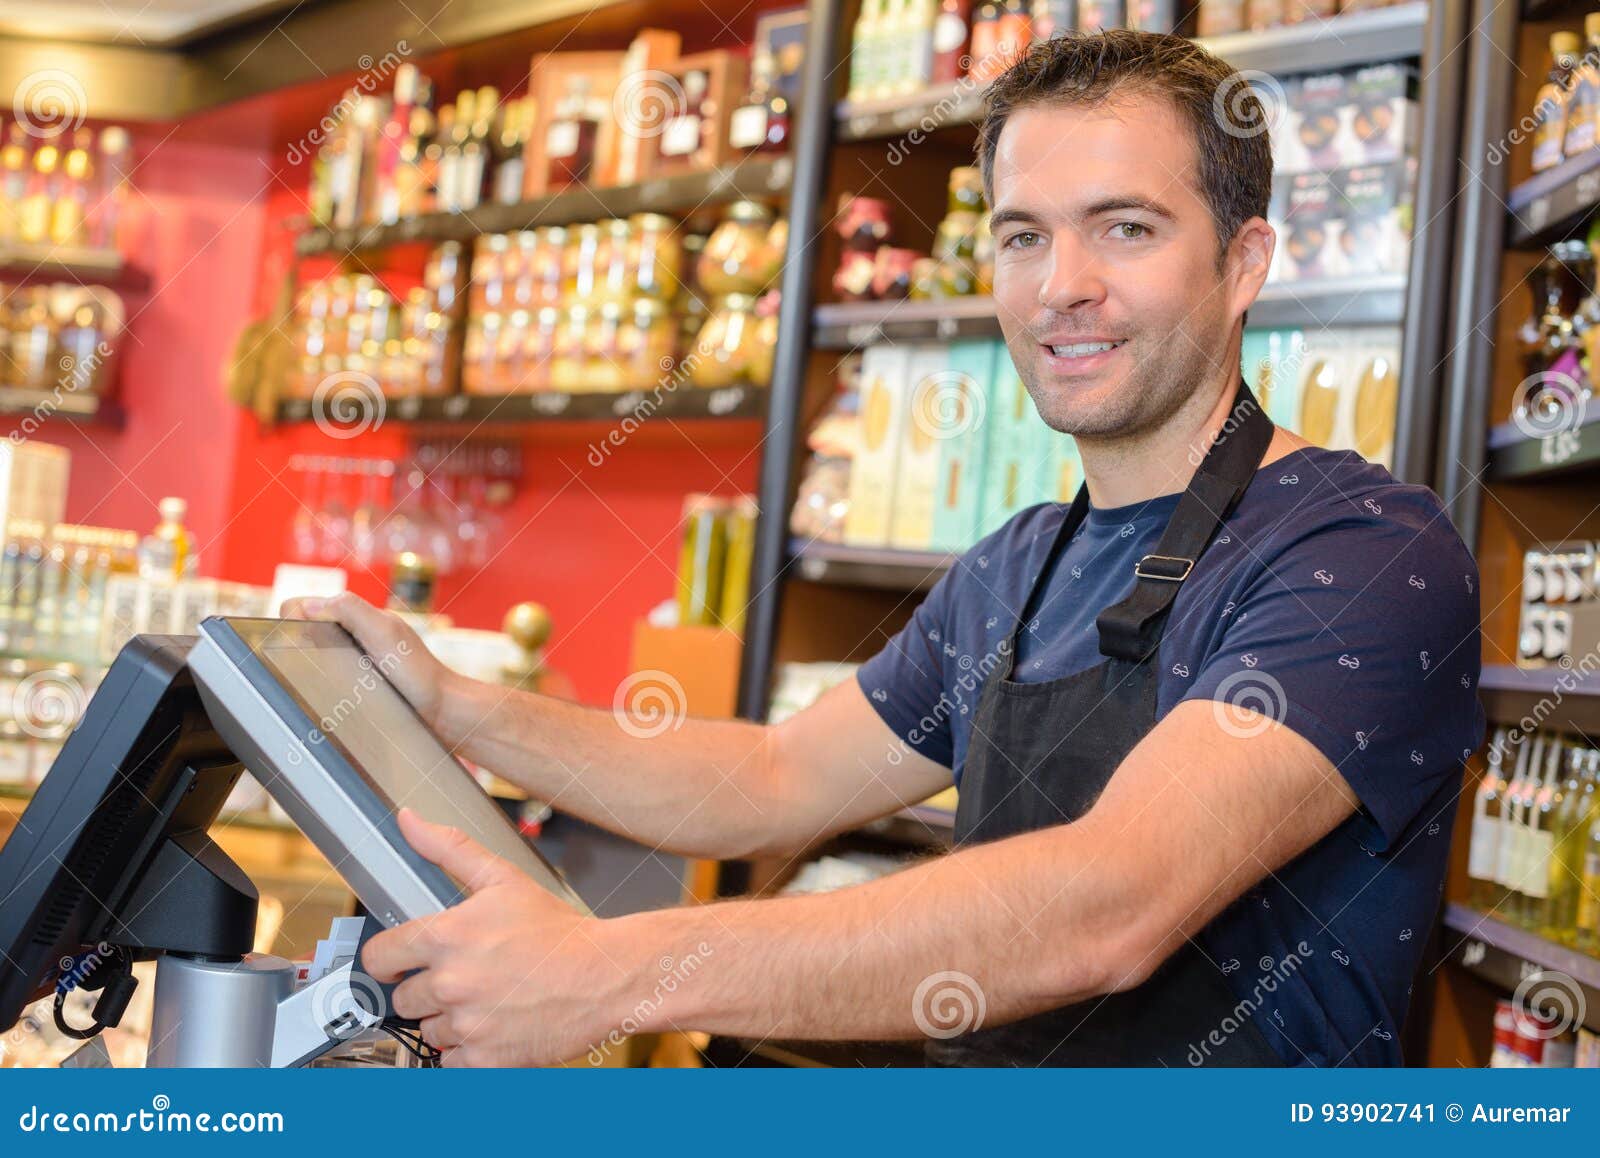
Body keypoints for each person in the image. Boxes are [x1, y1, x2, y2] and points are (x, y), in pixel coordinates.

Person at [288, 30, 1483, 1068]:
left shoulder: (1362, 554)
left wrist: (611, 973)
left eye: (1124, 228)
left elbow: (1109, 906)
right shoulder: (1017, 569)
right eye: (1023, 237)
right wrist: (452, 706)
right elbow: (768, 784)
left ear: (1243, 263)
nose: (1062, 286)